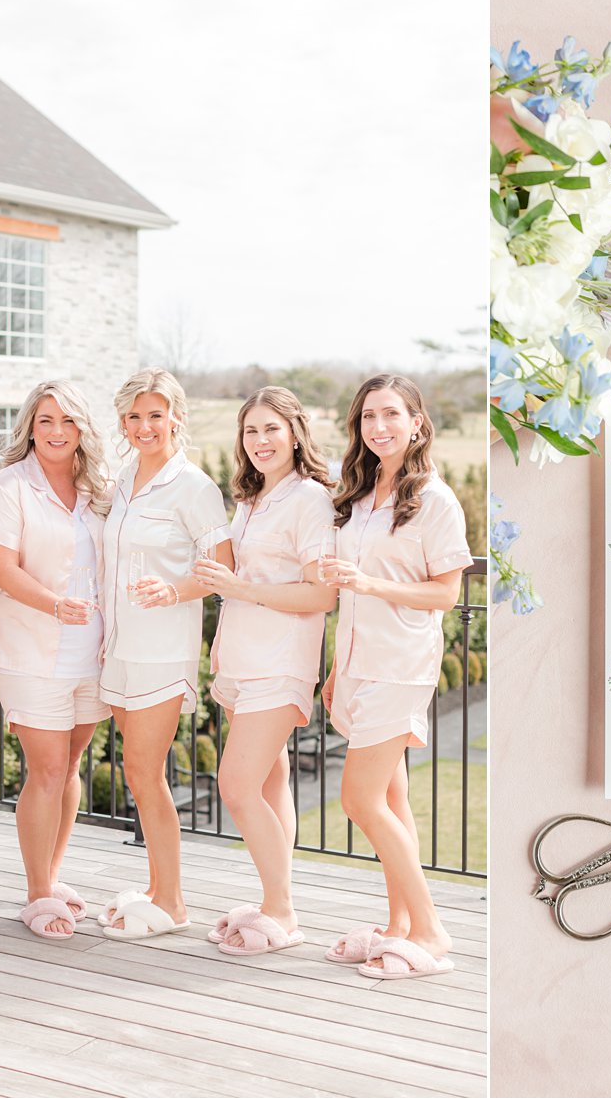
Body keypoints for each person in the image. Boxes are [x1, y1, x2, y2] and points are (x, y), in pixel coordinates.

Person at [320, 374, 473, 979]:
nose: (378, 427)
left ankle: (431, 930)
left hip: (401, 666)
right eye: (367, 417)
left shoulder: (435, 500)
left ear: (416, 422)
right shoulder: (357, 497)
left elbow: (446, 592)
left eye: (391, 415)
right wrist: (337, 667)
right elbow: (346, 601)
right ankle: (398, 925)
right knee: (391, 798)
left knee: (357, 798)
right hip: (358, 663)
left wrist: (370, 583)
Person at [192, 387, 336, 956]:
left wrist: (241, 589)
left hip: (281, 663)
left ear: (296, 433)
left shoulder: (310, 500)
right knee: (271, 780)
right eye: (251, 431)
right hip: (241, 661)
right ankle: (275, 897)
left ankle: (281, 910)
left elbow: (320, 594)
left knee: (236, 784)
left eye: (271, 429)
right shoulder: (251, 501)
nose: (260, 441)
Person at [98, 368, 233, 940]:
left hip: (162, 652)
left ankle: (173, 901)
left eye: (155, 415)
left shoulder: (195, 488)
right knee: (138, 772)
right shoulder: (122, 478)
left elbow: (224, 572)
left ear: (176, 417)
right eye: (133, 416)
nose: (144, 426)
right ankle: (155, 889)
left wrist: (175, 589)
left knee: (143, 771)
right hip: (117, 648)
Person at [0, 380, 112, 939]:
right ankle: (37, 895)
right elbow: (3, 570)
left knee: (70, 766)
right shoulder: (9, 487)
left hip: (93, 653)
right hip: (29, 650)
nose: (57, 432)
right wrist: (56, 605)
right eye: (45, 421)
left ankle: (52, 877)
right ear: (30, 427)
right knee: (48, 768)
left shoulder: (99, 490)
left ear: (83, 429)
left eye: (68, 421)